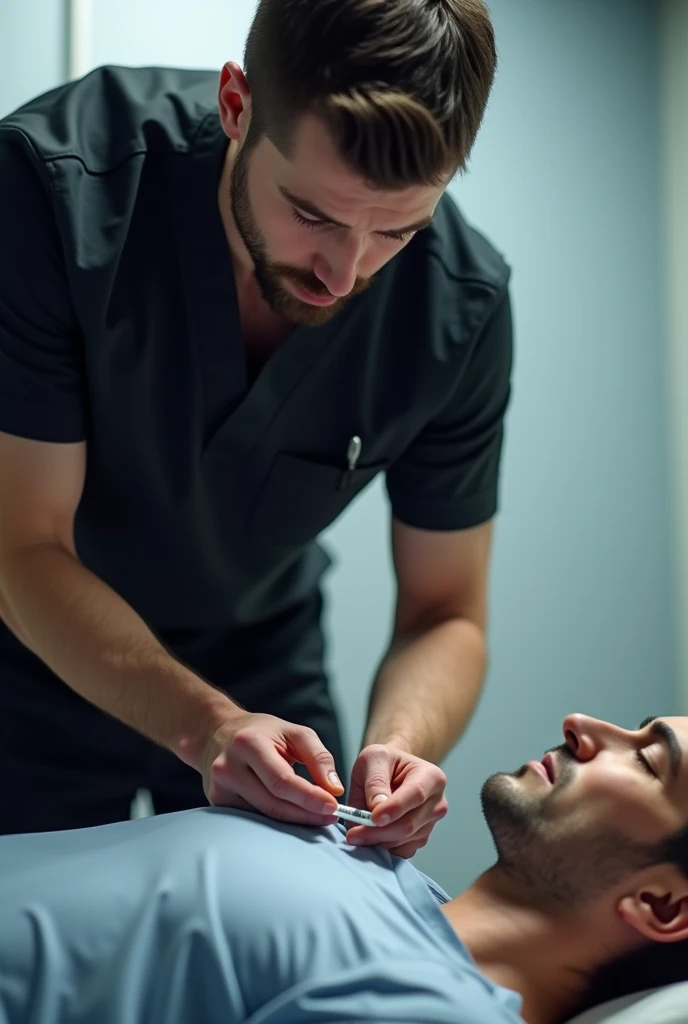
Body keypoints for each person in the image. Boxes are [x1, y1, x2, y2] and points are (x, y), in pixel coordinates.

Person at [0, 0, 512, 850]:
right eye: (312, 214)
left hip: (264, 671)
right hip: (28, 645)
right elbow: (21, 545)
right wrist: (204, 727)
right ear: (236, 106)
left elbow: (446, 609)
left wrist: (400, 749)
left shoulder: (460, 307)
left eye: (396, 231)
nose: (344, 274)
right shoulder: (54, 188)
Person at [2, 712, 688, 1024]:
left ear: (662, 904)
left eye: (649, 762)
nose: (583, 723)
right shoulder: (378, 859)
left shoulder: (434, 1010)